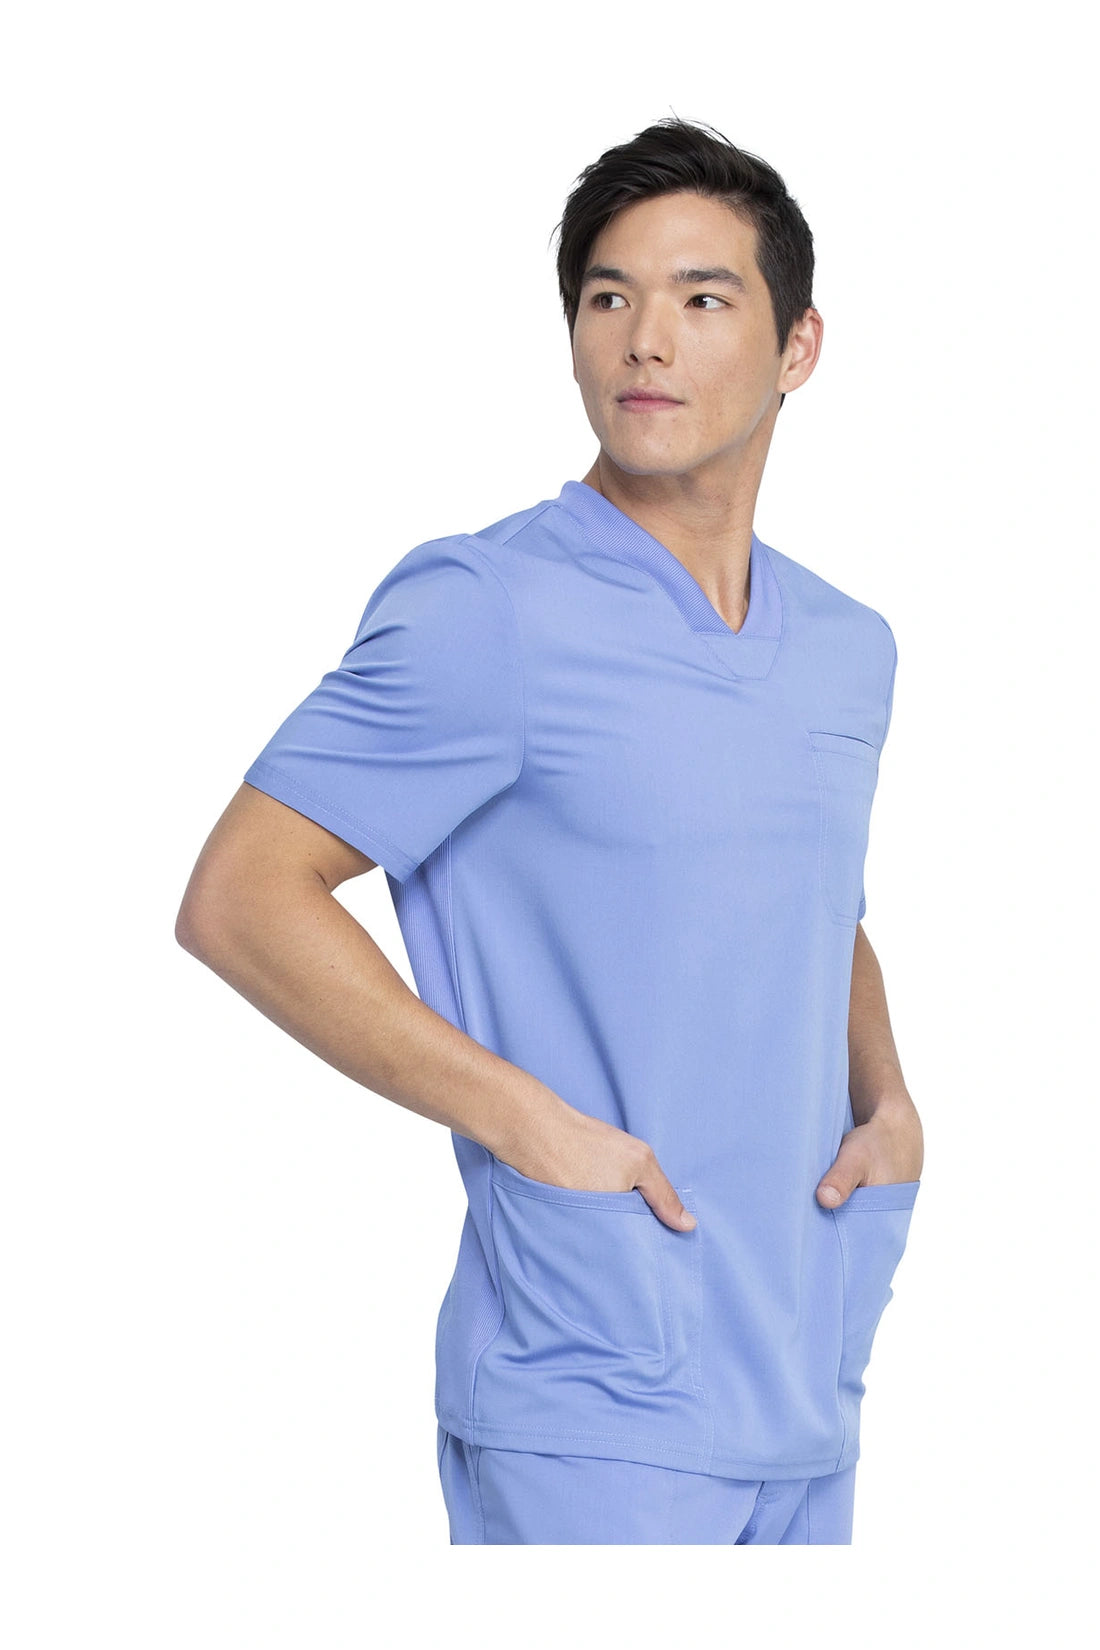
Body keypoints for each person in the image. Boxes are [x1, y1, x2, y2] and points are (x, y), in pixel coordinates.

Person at [175, 116, 925, 1545]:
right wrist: (527, 1123)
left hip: (809, 1368)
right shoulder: (490, 611)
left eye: (703, 297)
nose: (646, 339)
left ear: (799, 347)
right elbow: (243, 894)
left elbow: (815, 907)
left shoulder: (848, 647)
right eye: (607, 296)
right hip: (592, 1382)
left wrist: (888, 1105)